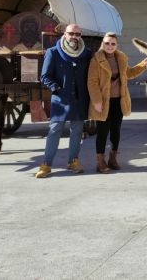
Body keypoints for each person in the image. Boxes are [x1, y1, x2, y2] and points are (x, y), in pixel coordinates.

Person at [35, 24, 93, 178]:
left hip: (80, 99)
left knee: (77, 131)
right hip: (60, 99)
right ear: (65, 34)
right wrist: (57, 88)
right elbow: (45, 76)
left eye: (78, 34)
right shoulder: (53, 52)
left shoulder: (86, 54)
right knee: (54, 130)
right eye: (71, 33)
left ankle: (73, 161)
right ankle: (46, 164)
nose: (74, 36)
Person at [87, 32, 147, 173]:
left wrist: (143, 65)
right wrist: (96, 101)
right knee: (102, 132)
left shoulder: (120, 58)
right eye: (107, 43)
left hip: (119, 101)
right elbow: (92, 82)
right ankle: (100, 161)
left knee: (116, 131)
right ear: (102, 44)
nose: (110, 46)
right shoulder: (96, 60)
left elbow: (129, 73)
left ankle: (113, 158)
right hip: (103, 102)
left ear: (116, 45)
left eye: (113, 43)